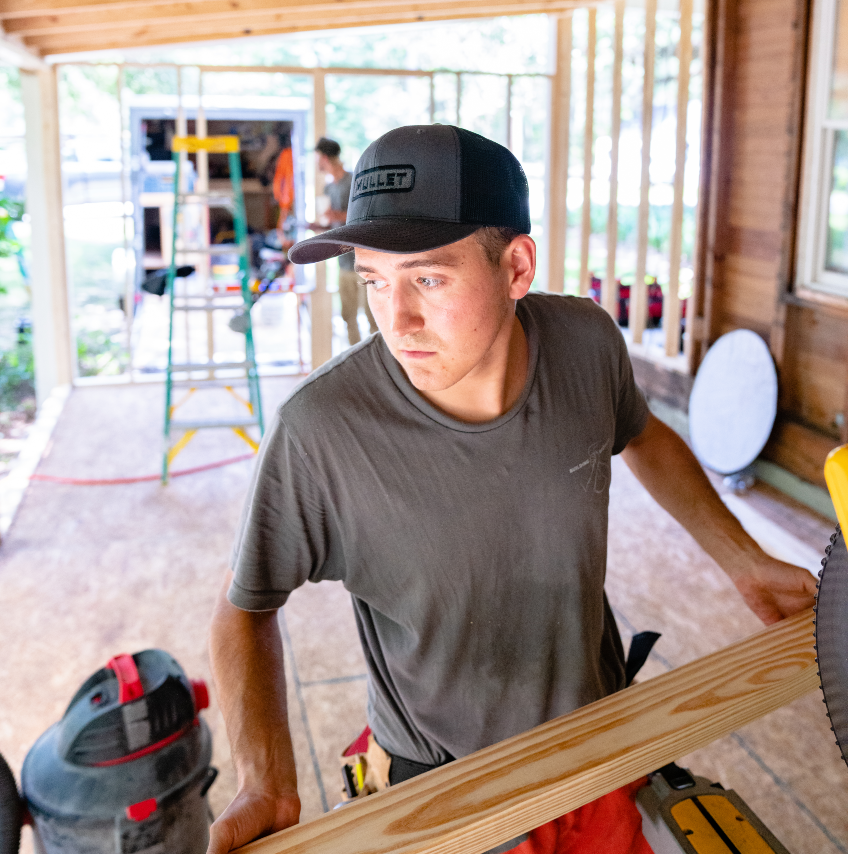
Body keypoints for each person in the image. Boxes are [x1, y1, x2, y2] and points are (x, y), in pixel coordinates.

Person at [207, 125, 816, 854]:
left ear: (517, 266)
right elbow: (245, 607)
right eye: (373, 280)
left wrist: (741, 557)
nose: (396, 321)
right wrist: (264, 778)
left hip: (598, 746)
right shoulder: (322, 430)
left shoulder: (586, 344)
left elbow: (642, 433)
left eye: (428, 279)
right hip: (440, 791)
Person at [307, 136, 378, 345]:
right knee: (348, 316)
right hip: (343, 263)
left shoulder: (355, 182)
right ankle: (355, 359)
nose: (317, 163)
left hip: (363, 261)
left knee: (372, 316)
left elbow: (364, 216)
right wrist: (318, 227)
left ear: (325, 158)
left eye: (318, 157)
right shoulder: (328, 189)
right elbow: (334, 224)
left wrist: (335, 216)